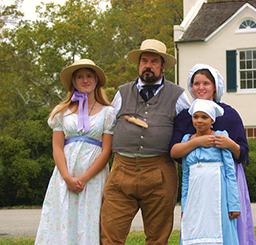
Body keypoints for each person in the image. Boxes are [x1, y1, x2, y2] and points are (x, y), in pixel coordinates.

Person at [100, 39, 190, 245]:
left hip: (159, 173)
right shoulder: (122, 93)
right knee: (110, 236)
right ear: (138, 64)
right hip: (121, 170)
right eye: (144, 61)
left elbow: (192, 127)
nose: (148, 66)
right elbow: (106, 127)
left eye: (154, 62)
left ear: (163, 66)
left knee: (158, 239)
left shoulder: (178, 96)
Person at [170, 64, 256, 245]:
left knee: (226, 226)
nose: (201, 88)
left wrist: (230, 144)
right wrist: (197, 142)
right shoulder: (186, 117)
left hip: (226, 179)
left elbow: (243, 152)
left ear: (215, 86)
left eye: (206, 83)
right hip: (197, 181)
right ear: (191, 86)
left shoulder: (230, 115)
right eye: (196, 83)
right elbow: (175, 151)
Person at [35, 59, 115, 245]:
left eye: (89, 76)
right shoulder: (62, 112)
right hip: (66, 173)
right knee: (64, 216)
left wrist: (85, 177)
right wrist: (67, 177)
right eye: (80, 76)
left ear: (96, 80)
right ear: (73, 81)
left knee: (90, 216)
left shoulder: (107, 113)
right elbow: (57, 147)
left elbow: (106, 150)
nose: (84, 80)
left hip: (93, 176)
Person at [174, 98, 241, 245]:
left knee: (220, 231)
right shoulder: (187, 140)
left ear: (212, 120)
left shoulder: (220, 137)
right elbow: (186, 176)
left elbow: (230, 173)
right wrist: (184, 206)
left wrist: (234, 203)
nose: (199, 121)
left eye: (204, 117)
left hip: (218, 196)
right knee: (194, 231)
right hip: (195, 198)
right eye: (196, 116)